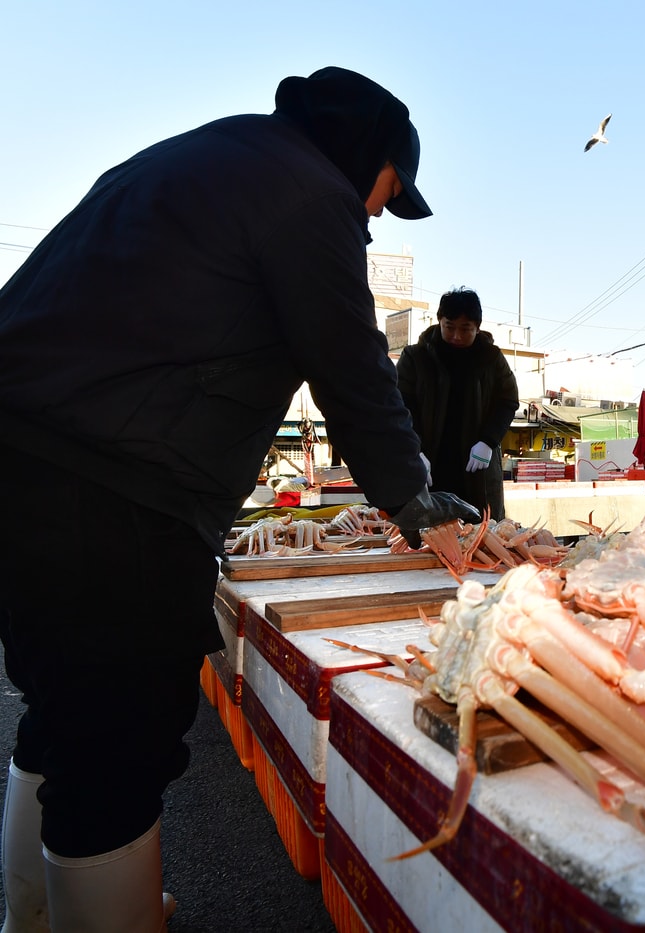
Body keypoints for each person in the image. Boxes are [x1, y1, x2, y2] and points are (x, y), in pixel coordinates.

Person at [0, 67, 477, 930]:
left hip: (28, 459)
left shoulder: (214, 155)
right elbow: (352, 362)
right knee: (114, 740)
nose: (374, 217)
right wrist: (416, 499)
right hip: (108, 490)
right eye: (386, 196)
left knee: (65, 715)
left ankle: (36, 915)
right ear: (371, 160)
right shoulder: (306, 194)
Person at [395, 287, 520, 522]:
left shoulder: (491, 359)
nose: (456, 336)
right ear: (439, 321)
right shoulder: (415, 357)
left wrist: (488, 441)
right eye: (449, 327)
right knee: (426, 530)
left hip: (477, 466)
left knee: (483, 530)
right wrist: (414, 450)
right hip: (428, 463)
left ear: (478, 327)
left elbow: (508, 401)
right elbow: (400, 406)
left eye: (466, 329)